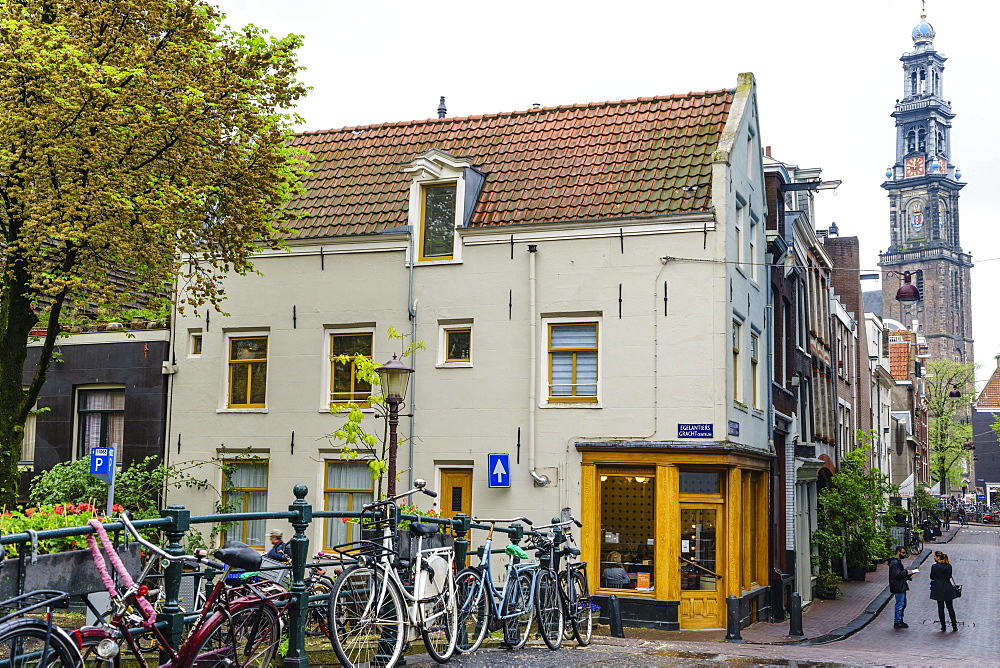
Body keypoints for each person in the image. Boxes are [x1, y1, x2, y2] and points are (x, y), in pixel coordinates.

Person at [929, 550, 960, 631]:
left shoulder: (934, 567)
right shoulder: (949, 566)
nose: (934, 558)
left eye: (935, 556)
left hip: (938, 588)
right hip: (948, 587)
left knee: (940, 607)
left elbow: (932, 576)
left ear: (938, 558)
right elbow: (949, 576)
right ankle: (954, 625)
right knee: (950, 607)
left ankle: (943, 626)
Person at [888, 545, 917, 628]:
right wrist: (907, 572)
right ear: (898, 552)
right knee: (900, 604)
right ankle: (897, 621)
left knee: (902, 604)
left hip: (900, 585)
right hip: (898, 586)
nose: (904, 554)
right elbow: (897, 574)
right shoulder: (895, 563)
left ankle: (900, 620)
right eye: (903, 553)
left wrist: (907, 574)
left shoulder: (896, 562)